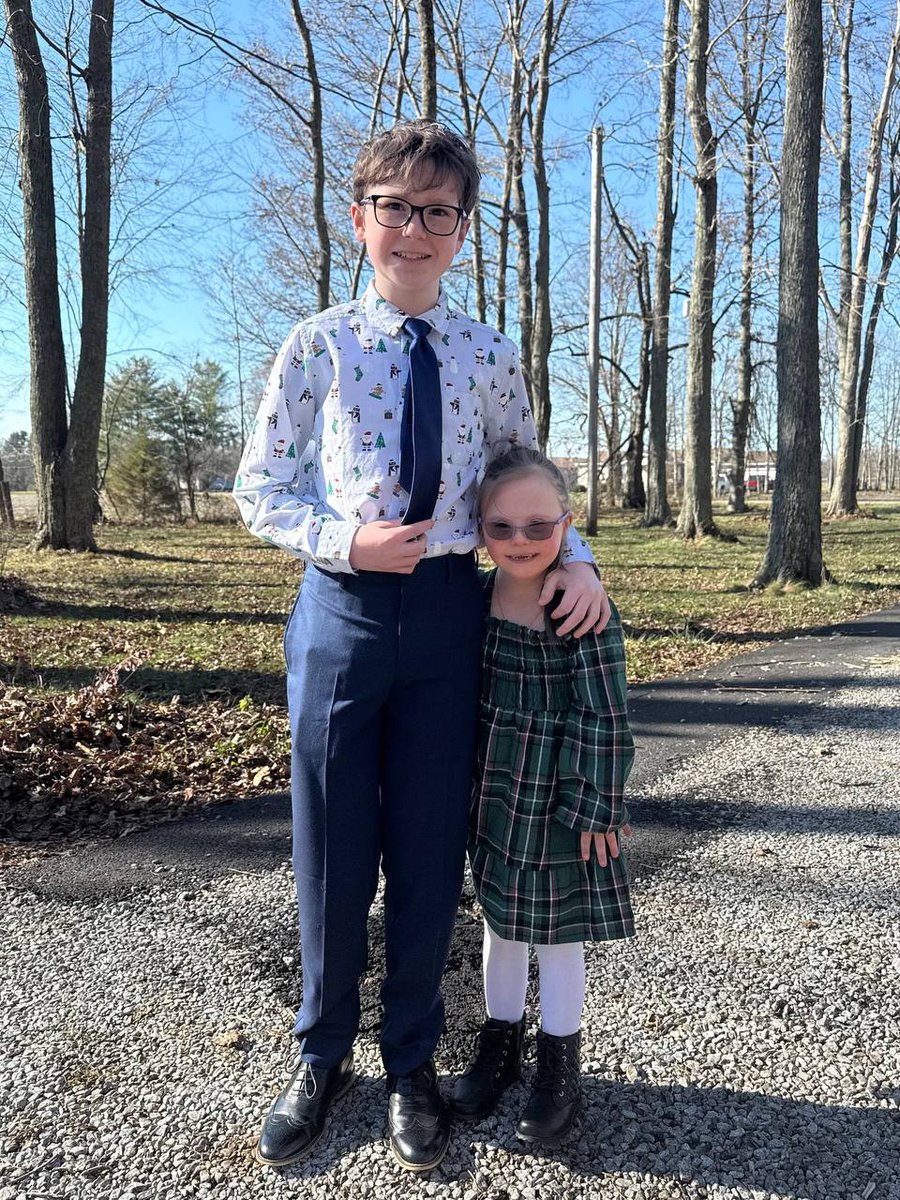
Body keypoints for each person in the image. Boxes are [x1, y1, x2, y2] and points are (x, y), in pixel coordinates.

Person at [233, 119, 610, 1173]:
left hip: (454, 616)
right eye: (393, 207)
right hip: (342, 613)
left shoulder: (490, 356)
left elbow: (523, 483)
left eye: (436, 211)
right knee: (333, 845)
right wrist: (342, 539)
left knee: (432, 852)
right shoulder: (317, 346)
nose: (414, 228)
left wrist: (572, 556)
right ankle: (320, 1053)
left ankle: (410, 1062)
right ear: (360, 221)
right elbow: (258, 490)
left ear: (461, 231)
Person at [449, 444, 635, 1146]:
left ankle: (560, 1061)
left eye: (538, 526)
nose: (520, 541)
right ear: (479, 527)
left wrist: (596, 801)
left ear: (567, 523)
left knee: (558, 937)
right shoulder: (474, 598)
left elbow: (604, 710)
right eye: (501, 528)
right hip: (496, 791)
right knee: (500, 922)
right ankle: (500, 1043)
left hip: (559, 796)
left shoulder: (578, 607)